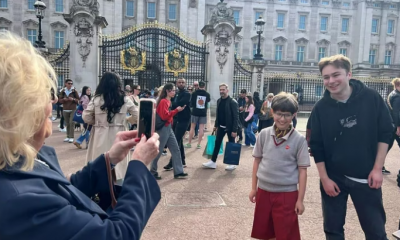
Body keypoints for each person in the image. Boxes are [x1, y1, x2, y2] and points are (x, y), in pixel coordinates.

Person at [0, 31, 161, 240]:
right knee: (120, 180)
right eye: (45, 94)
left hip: (100, 137)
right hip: (115, 132)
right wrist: (139, 165)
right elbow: (116, 235)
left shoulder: (22, 155)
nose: (53, 102)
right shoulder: (20, 201)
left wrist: (108, 159)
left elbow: (65, 187)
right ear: (19, 113)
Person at [308, 54, 393, 240]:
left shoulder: (371, 98)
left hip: (366, 175)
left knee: (376, 231)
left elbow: (385, 133)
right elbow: (316, 145)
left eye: (335, 75)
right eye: (326, 77)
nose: (331, 81)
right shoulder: (321, 108)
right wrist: (324, 179)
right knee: (333, 230)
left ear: (349, 74)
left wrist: (378, 168)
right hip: (333, 177)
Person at [249, 92, 310, 240]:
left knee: (286, 234)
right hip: (264, 190)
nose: (282, 119)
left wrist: (300, 200)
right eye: (279, 114)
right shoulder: (263, 134)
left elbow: (303, 171)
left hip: (287, 194)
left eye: (287, 115)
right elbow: (257, 161)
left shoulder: (299, 140)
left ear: (294, 115)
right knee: (265, 232)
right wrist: (253, 188)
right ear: (272, 112)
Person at [83, 72, 138, 181]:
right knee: (119, 163)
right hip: (120, 133)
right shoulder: (125, 99)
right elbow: (137, 116)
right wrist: (126, 120)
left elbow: (86, 117)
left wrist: (98, 121)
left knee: (99, 160)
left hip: (100, 132)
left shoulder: (96, 99)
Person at [151, 83, 188, 179]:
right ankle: (152, 172)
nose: (174, 92)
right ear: (167, 91)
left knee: (176, 149)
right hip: (164, 128)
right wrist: (176, 110)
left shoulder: (168, 101)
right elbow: (164, 116)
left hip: (168, 127)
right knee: (158, 151)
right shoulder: (164, 101)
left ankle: (179, 171)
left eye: (175, 90)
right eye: (173, 90)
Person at [202, 83, 239, 171]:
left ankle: (232, 163)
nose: (221, 91)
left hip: (230, 127)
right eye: (220, 90)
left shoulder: (232, 102)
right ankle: (213, 161)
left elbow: (236, 117)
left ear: (227, 90)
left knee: (231, 144)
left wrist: (234, 130)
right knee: (217, 143)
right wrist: (215, 125)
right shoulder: (219, 101)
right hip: (221, 127)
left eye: (223, 89)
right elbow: (218, 115)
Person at [163, 78, 191, 170]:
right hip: (175, 119)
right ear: (176, 84)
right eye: (179, 82)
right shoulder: (176, 93)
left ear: (185, 83)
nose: (181, 84)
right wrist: (174, 104)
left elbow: (180, 103)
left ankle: (172, 163)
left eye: (183, 82)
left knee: (175, 141)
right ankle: (182, 161)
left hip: (184, 120)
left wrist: (173, 103)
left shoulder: (187, 94)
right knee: (179, 141)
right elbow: (174, 104)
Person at [186, 81, 210, 149]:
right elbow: (208, 101)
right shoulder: (207, 94)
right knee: (201, 129)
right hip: (203, 113)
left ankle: (189, 143)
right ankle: (198, 144)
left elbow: (192, 103)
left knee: (192, 128)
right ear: (204, 86)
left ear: (198, 86)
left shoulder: (194, 93)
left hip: (195, 112)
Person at [384, 77, 400, 174]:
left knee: (386, 146)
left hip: (391, 125)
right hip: (395, 126)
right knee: (386, 146)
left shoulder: (392, 94)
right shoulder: (397, 97)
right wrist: (398, 126)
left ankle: (379, 164)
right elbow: (396, 113)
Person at [59, 79, 80, 143]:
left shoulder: (74, 91)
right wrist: (64, 100)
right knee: (67, 124)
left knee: (72, 123)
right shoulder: (63, 91)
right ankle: (67, 136)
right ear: (66, 84)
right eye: (69, 83)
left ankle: (71, 137)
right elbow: (59, 100)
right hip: (65, 109)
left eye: (71, 83)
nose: (70, 85)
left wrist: (73, 99)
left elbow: (78, 100)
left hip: (73, 109)